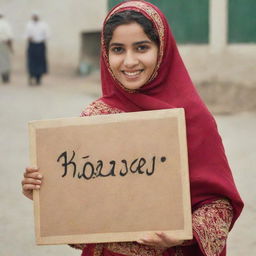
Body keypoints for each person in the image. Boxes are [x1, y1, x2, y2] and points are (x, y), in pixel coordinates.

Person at [22, 1, 244, 256]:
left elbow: (220, 207)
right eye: (118, 49)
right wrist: (45, 192)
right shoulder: (95, 117)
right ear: (106, 54)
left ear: (162, 49)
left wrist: (185, 233)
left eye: (141, 47)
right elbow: (83, 209)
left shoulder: (192, 118)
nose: (129, 61)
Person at [25, 12, 49, 85]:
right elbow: (26, 35)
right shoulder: (29, 25)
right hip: (32, 45)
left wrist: (42, 39)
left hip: (40, 45)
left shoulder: (43, 25)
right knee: (31, 61)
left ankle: (39, 78)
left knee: (40, 61)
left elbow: (47, 35)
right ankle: (31, 76)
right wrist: (29, 38)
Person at [0, 12, 13, 83]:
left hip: (3, 43)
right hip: (4, 44)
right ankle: (5, 77)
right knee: (5, 60)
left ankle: (4, 76)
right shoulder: (6, 24)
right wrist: (11, 47)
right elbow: (9, 36)